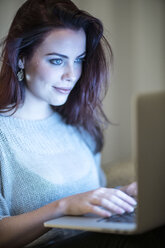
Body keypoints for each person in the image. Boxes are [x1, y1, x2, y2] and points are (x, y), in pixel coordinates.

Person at [0, 0, 144, 247]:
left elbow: (89, 203)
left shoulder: (78, 125)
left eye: (79, 59)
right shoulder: (4, 135)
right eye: (57, 60)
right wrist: (63, 206)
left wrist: (121, 196)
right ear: (21, 58)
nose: (72, 74)